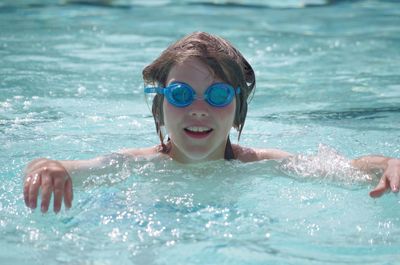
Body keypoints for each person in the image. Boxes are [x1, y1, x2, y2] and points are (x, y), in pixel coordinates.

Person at [23, 32, 400, 213]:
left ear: (237, 108)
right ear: (161, 106)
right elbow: (66, 168)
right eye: (182, 95)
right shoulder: (137, 164)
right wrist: (48, 168)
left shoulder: (260, 163)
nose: (199, 108)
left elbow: (348, 169)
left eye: (218, 95)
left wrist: (388, 164)